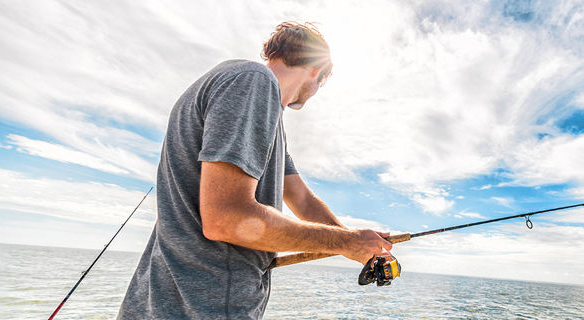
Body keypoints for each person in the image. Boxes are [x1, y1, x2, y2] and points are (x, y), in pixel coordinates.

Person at [117, 22, 393, 320]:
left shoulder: (257, 100)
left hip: (162, 301)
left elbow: (300, 197)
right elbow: (226, 218)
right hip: (203, 306)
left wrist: (355, 244)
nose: (314, 93)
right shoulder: (252, 82)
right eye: (321, 83)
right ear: (317, 70)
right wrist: (345, 242)